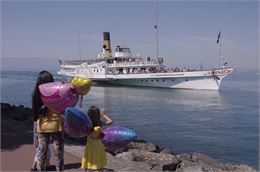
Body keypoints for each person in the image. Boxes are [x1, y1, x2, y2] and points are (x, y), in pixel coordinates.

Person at [31, 70, 64, 171]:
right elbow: (63, 107)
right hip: (56, 126)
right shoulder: (57, 93)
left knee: (42, 153)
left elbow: (35, 117)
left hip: (42, 127)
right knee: (59, 153)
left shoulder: (35, 95)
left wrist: (43, 108)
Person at [81, 106, 113, 171]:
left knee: (88, 160)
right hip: (98, 146)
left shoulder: (87, 125)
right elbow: (110, 121)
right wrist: (103, 115)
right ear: (98, 114)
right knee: (99, 163)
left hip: (89, 146)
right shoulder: (100, 124)